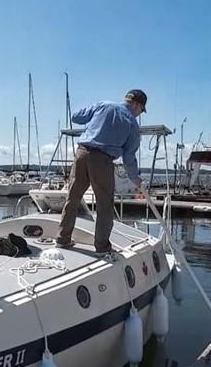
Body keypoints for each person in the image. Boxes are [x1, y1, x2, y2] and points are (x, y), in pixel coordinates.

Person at [56, 89, 147, 255]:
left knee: (73, 198)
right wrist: (136, 179)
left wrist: (96, 121)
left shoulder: (103, 105)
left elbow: (76, 117)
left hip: (82, 154)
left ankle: (63, 239)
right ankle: (102, 247)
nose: (139, 114)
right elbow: (128, 157)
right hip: (103, 160)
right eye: (141, 110)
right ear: (137, 104)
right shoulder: (133, 125)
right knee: (105, 205)